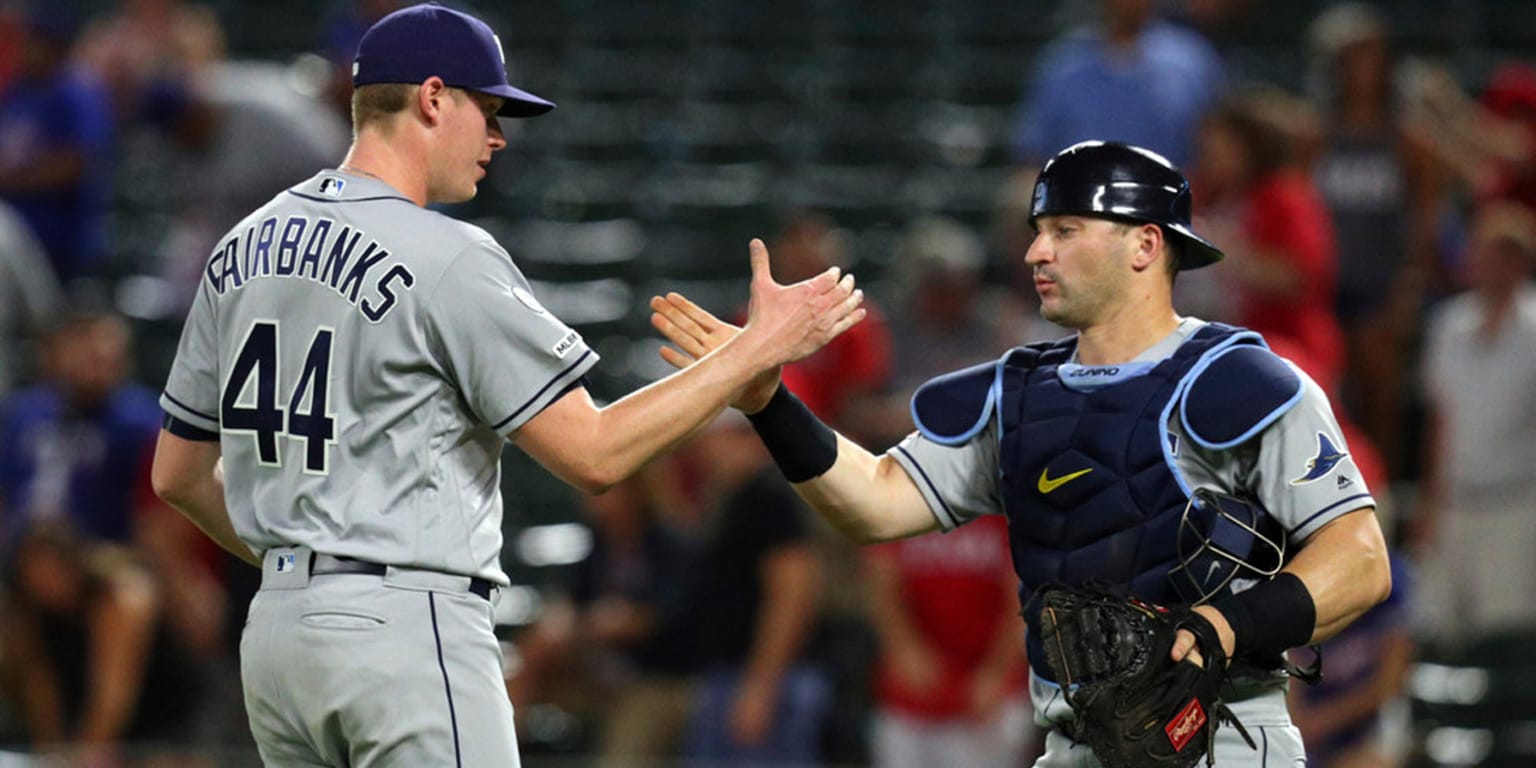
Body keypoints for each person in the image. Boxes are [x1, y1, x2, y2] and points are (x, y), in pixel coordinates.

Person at [147, 4, 863, 767]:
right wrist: (755, 352)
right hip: (404, 631)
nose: (498, 136)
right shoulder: (448, 254)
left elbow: (178, 475)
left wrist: (307, 565)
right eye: (486, 110)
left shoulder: (242, 245)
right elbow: (594, 454)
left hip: (278, 638)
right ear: (431, 98)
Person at [652, 140, 1392, 766]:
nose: (1037, 249)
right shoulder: (1016, 394)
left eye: (1067, 229)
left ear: (1146, 243)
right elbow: (876, 502)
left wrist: (1228, 625)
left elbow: (1361, 558)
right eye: (1039, 229)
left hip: (1221, 743)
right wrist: (767, 403)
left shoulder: (1242, 379)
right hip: (1075, 745)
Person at [1413, 200, 1536, 645]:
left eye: (1496, 252)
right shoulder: (1448, 325)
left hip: (1515, 509)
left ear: (1519, 262)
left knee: (1505, 633)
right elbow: (1440, 421)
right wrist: (1430, 505)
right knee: (1432, 627)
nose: (1482, 262)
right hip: (1453, 507)